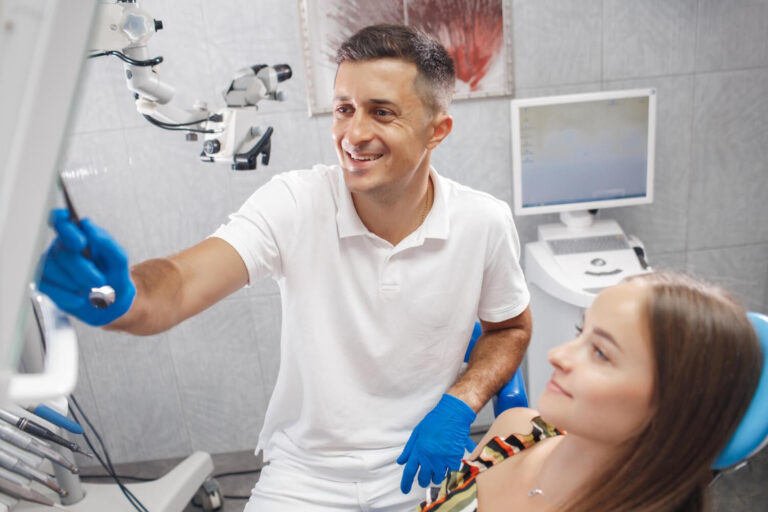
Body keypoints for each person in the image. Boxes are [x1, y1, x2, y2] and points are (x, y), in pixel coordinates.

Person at [38, 24, 532, 511]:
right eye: (344, 109)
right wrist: (125, 294)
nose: (354, 134)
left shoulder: (483, 222)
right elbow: (182, 282)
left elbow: (509, 329)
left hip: (421, 467)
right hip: (305, 476)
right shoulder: (295, 203)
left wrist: (460, 402)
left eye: (382, 112)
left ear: (436, 129)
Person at [416, 271, 763, 512]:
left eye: (600, 353)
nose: (557, 355)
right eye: (582, 332)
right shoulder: (516, 431)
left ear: (672, 406)